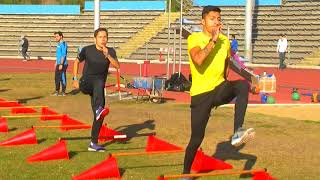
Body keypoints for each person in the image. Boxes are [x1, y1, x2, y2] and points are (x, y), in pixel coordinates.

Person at [180, 6, 255, 178]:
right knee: (196, 138)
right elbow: (198, 60)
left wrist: (231, 86)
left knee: (243, 85)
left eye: (219, 18)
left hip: (219, 88)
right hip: (201, 94)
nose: (217, 21)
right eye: (213, 18)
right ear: (203, 21)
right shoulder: (194, 38)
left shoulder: (225, 41)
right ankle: (185, 174)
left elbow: (227, 65)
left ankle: (237, 132)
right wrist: (213, 40)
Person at [72, 28, 120, 152]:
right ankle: (99, 108)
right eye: (100, 37)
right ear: (95, 39)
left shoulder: (110, 51)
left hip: (98, 89)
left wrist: (107, 55)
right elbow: (76, 61)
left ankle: (93, 143)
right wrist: (74, 79)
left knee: (100, 115)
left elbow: (117, 66)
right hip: (86, 83)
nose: (103, 39)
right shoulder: (87, 50)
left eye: (105, 37)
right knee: (99, 82)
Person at [53, 31, 68, 96]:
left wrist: (61, 64)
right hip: (59, 63)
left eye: (57, 36)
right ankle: (57, 91)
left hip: (63, 64)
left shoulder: (63, 43)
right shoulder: (58, 44)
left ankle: (63, 92)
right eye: (55, 37)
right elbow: (58, 55)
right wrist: (56, 62)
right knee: (56, 78)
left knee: (62, 77)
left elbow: (63, 55)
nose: (55, 38)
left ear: (61, 36)